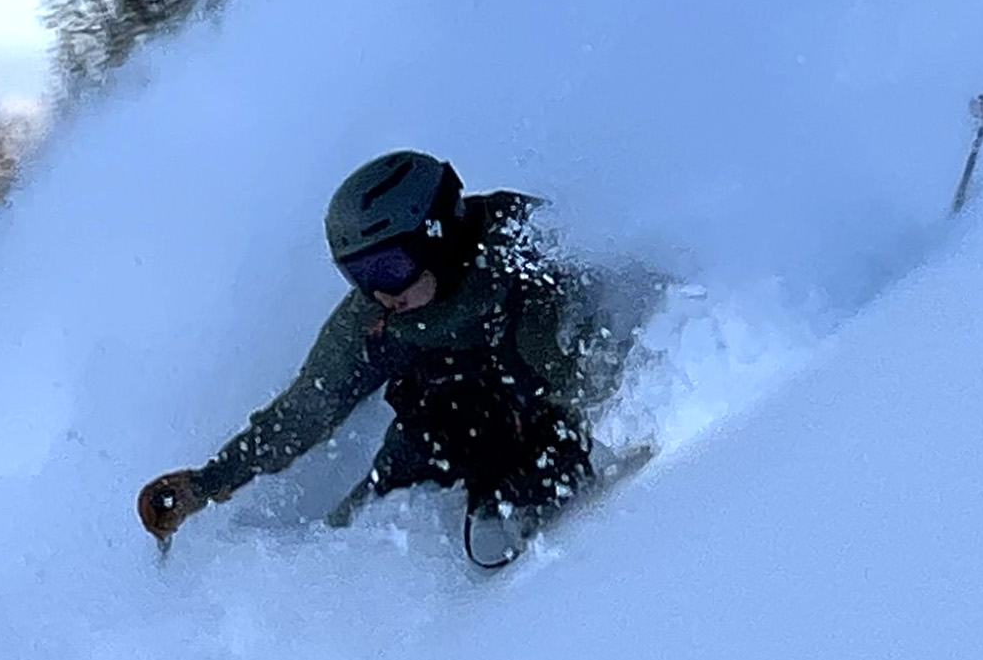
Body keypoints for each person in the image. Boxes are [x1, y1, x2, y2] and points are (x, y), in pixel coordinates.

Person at [136, 149, 641, 565]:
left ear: (435, 236)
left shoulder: (520, 252)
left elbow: (597, 346)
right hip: (439, 441)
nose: (379, 291)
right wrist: (208, 482)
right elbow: (308, 407)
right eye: (359, 274)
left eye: (388, 266)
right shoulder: (381, 316)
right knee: (350, 541)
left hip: (545, 432)